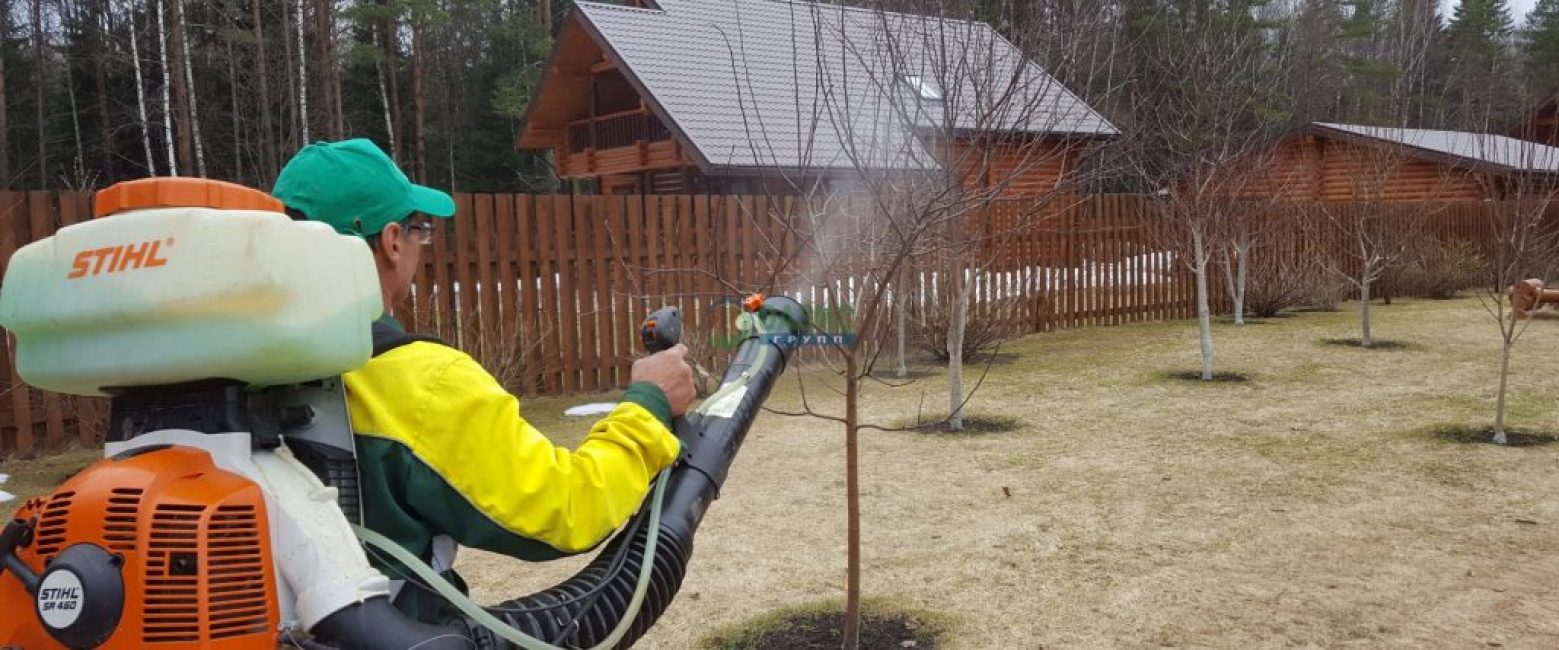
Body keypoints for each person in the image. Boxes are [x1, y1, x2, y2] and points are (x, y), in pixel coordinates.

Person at [271, 139, 696, 623]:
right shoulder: (423, 384)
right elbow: (567, 510)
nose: (418, 245)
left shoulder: (218, 370)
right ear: (391, 240)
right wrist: (648, 402)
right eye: (418, 230)